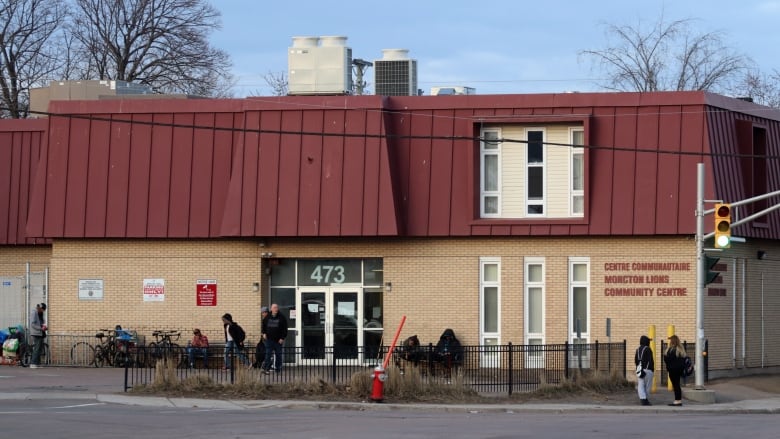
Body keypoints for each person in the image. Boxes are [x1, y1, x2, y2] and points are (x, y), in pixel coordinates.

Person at [261, 303, 288, 374]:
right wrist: (264, 333)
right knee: (268, 354)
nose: (276, 309)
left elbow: (285, 329)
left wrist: (282, 338)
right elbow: (263, 326)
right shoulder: (267, 317)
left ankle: (278, 369)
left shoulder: (281, 317)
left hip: (278, 340)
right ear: (271, 309)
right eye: (274, 308)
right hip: (269, 340)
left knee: (278, 355)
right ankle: (266, 368)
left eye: (277, 307)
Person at [664, 334, 687, 406]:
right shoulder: (680, 349)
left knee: (676, 385)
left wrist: (668, 367)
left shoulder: (669, 350)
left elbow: (666, 360)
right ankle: (678, 400)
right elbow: (683, 360)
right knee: (677, 384)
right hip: (679, 370)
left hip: (672, 370)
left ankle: (678, 400)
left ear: (672, 341)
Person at [635, 335, 655, 406]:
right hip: (648, 370)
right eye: (648, 341)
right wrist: (652, 369)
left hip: (640, 370)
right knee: (647, 386)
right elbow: (650, 360)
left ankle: (642, 399)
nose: (649, 342)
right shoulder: (648, 349)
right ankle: (645, 399)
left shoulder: (637, 350)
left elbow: (636, 361)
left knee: (640, 385)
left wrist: (638, 368)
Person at [28, 303, 47, 368]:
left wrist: (44, 327)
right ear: (40, 308)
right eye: (42, 310)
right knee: (37, 348)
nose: (43, 311)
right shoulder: (34, 313)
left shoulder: (40, 313)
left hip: (40, 332)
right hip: (36, 333)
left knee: (39, 348)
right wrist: (40, 328)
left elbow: (41, 322)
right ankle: (33, 363)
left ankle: (37, 363)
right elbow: (32, 324)